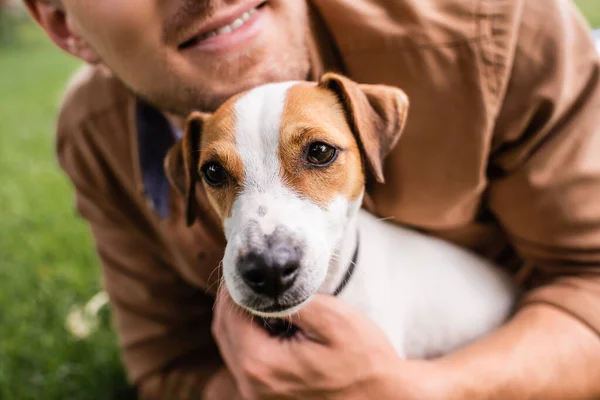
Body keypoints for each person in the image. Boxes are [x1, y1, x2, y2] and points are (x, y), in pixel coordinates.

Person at [23, 0, 600, 399]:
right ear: (62, 23)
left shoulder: (492, 25)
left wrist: (417, 390)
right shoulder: (96, 138)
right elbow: (167, 367)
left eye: (320, 155)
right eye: (219, 174)